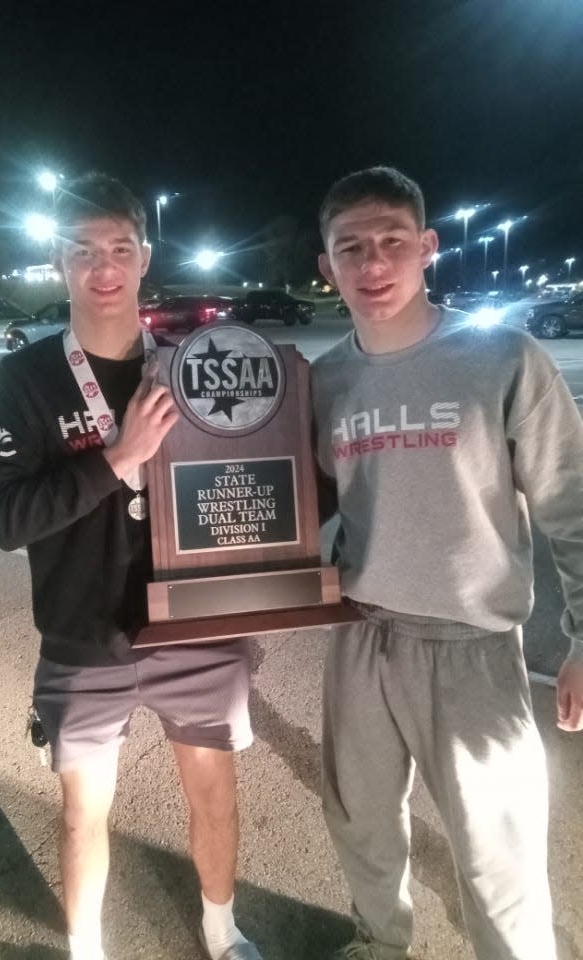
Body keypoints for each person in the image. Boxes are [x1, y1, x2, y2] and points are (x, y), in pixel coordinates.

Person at [0, 173, 262, 960]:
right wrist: (117, 459)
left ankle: (220, 930)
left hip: (197, 632)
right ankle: (85, 950)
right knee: (80, 815)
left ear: (144, 258)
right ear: (59, 262)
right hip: (82, 637)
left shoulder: (195, 369)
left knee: (214, 797)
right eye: (83, 251)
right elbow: (4, 520)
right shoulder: (26, 380)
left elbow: (256, 488)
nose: (103, 266)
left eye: (119, 248)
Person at [311, 165, 583, 960]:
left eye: (392, 241)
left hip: (472, 648)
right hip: (360, 635)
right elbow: (289, 508)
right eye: (349, 246)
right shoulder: (324, 381)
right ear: (325, 265)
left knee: (498, 858)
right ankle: (377, 941)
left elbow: (572, 502)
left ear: (427, 247)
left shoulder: (501, 356)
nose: (372, 263)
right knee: (360, 823)